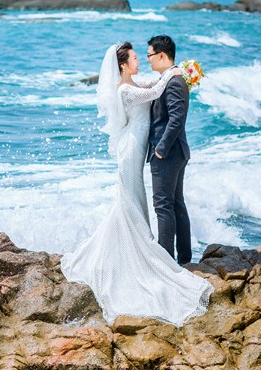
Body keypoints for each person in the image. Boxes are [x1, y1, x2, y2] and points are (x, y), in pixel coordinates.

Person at [60, 42, 211, 326]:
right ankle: (143, 253)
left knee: (136, 200)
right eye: (135, 58)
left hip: (142, 146)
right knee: (130, 199)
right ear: (123, 65)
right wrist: (175, 71)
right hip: (131, 148)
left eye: (144, 56)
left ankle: (149, 249)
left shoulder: (134, 82)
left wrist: (180, 72)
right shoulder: (125, 89)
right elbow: (155, 91)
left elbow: (153, 84)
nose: (140, 60)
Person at [146, 34, 193, 265]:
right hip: (176, 151)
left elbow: (176, 119)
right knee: (176, 204)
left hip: (168, 153)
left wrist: (160, 150)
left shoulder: (173, 81)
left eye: (150, 55)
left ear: (162, 55)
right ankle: (185, 259)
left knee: (163, 206)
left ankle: (166, 262)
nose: (148, 59)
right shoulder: (170, 78)